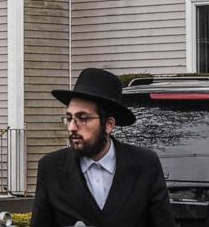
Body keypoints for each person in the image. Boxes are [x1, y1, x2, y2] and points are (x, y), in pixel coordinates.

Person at [31, 67, 174, 227]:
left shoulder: (145, 164)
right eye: (69, 118)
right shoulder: (51, 168)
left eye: (82, 118)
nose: (72, 127)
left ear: (108, 125)